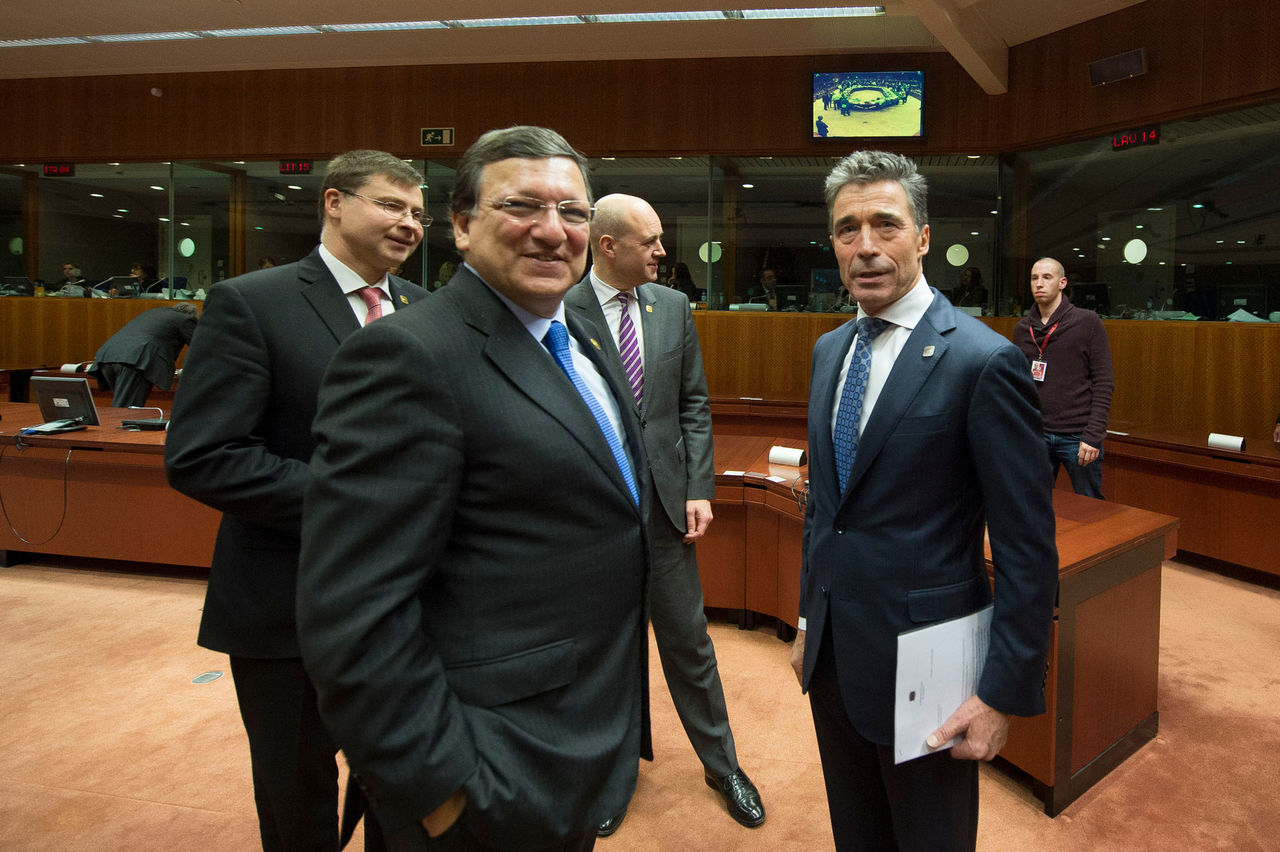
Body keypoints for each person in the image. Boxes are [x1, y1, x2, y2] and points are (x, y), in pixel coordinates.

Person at [296, 126, 650, 852]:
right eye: (522, 206)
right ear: (460, 225)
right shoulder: (405, 356)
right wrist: (444, 796)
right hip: (483, 772)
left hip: (576, 744)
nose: (553, 232)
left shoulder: (578, 339)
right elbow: (354, 611)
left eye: (574, 213)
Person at [789, 150, 1058, 851]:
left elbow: (1028, 547)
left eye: (886, 224)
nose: (866, 247)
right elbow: (827, 509)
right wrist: (806, 617)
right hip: (835, 660)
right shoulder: (827, 351)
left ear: (925, 236)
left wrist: (1002, 693)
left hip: (929, 672)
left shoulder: (981, 360)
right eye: (848, 229)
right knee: (859, 836)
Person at [164, 149, 428, 852]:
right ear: (334, 203)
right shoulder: (253, 302)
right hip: (288, 604)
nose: (410, 224)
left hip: (409, 606)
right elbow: (204, 456)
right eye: (392, 205)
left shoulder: (426, 311)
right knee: (297, 798)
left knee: (403, 788)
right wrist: (358, 503)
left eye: (419, 213)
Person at [565, 194, 765, 837]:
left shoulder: (672, 307)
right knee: (607, 652)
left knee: (689, 643)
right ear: (606, 246)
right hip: (593, 515)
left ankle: (723, 765)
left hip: (665, 512)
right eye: (648, 242)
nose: (661, 253)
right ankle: (614, 775)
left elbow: (692, 405)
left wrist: (696, 485)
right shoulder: (559, 310)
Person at [1014, 257, 1115, 500]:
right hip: (1036, 434)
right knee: (1033, 505)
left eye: (1046, 277)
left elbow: (1104, 381)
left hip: (1077, 436)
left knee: (1091, 508)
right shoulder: (1022, 329)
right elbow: (1017, 384)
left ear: (1062, 283)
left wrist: (1093, 435)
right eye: (1034, 278)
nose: (1039, 283)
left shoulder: (1087, 322)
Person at [88, 303, 198, 407]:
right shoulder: (185, 319)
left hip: (107, 357)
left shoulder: (153, 313)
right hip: (134, 361)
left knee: (122, 404)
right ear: (191, 314)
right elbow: (200, 345)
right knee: (126, 410)